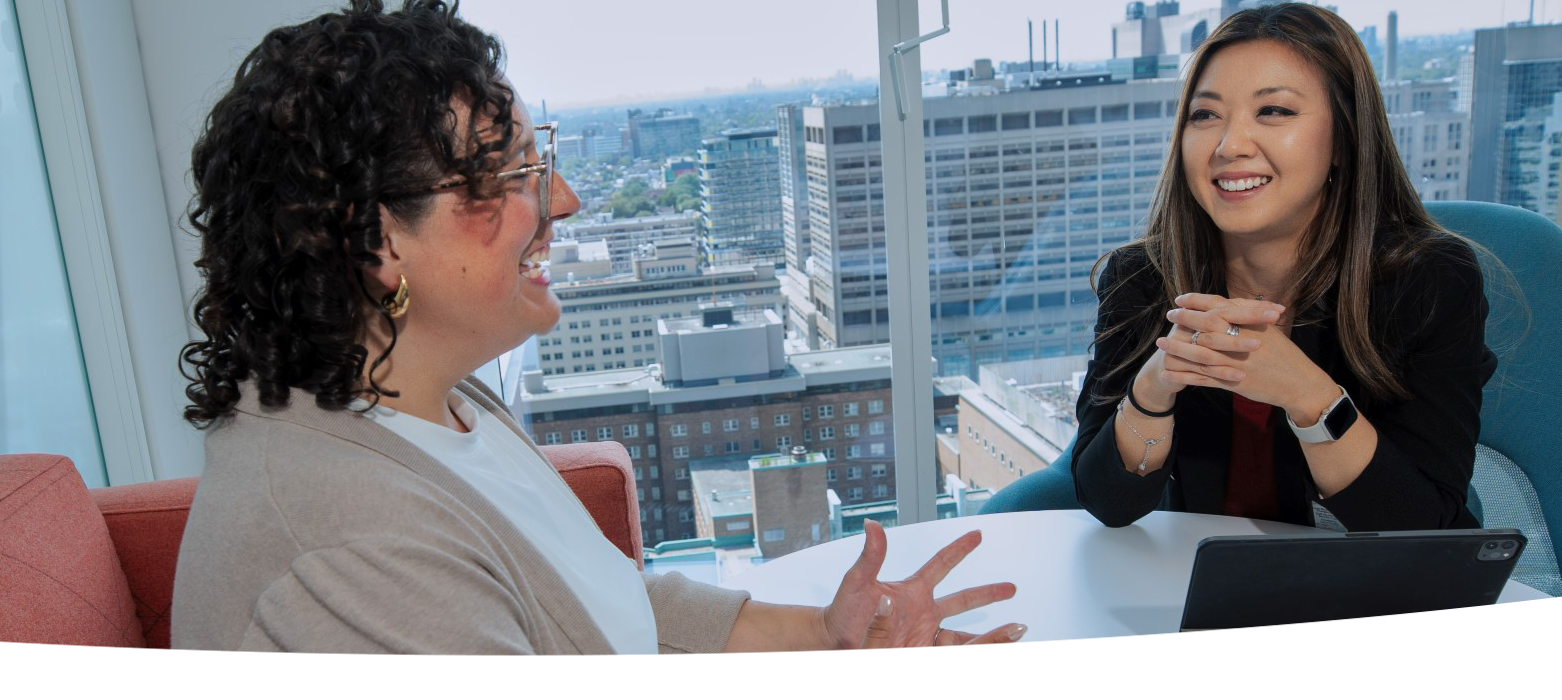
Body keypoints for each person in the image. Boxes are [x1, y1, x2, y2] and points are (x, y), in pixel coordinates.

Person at [169, 0, 1023, 655]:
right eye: (507, 176)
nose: (564, 201)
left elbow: (604, 607)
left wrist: (829, 634)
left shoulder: (437, 407)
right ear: (376, 238)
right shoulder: (350, 556)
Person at [1059, 3, 1497, 532]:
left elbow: (1427, 529)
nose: (1229, 146)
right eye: (1205, 115)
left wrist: (1308, 396)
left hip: (1370, 596)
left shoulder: (1429, 280)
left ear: (1345, 137)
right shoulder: (1144, 277)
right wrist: (1153, 389)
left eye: (1274, 112)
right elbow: (1108, 502)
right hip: (1198, 587)